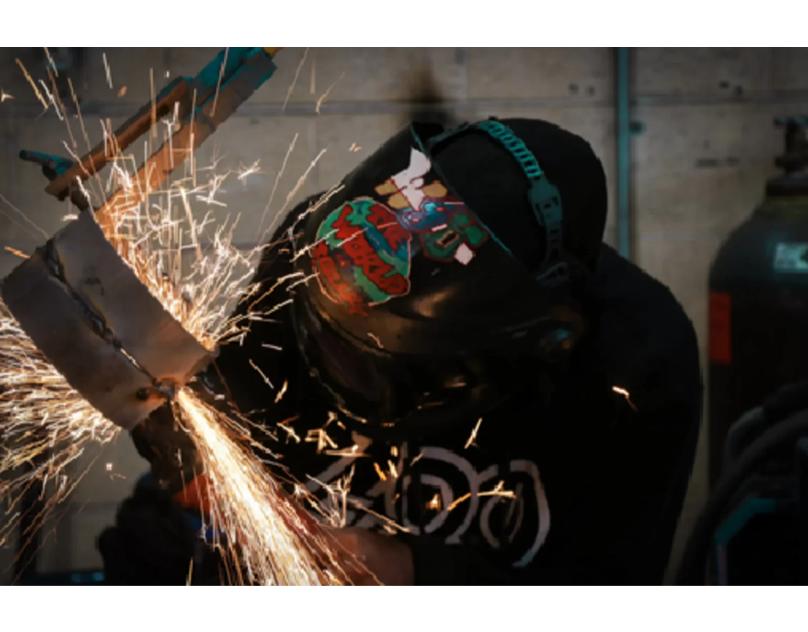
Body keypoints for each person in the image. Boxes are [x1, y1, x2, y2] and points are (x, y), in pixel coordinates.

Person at [99, 117, 702, 585]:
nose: (335, 369)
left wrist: (413, 571)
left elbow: (608, 586)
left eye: (367, 361)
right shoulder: (321, 250)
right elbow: (212, 441)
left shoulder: (636, 364)